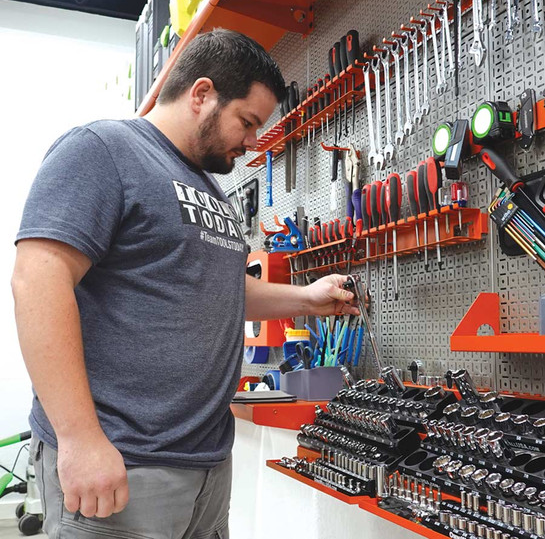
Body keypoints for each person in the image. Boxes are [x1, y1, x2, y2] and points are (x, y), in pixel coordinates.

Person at [11, 29, 358, 538]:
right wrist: (80, 439)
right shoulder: (104, 150)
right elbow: (37, 282)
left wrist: (307, 298)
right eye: (247, 121)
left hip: (205, 463)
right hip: (124, 460)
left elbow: (221, 288)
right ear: (201, 94)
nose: (252, 141)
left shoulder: (209, 188)